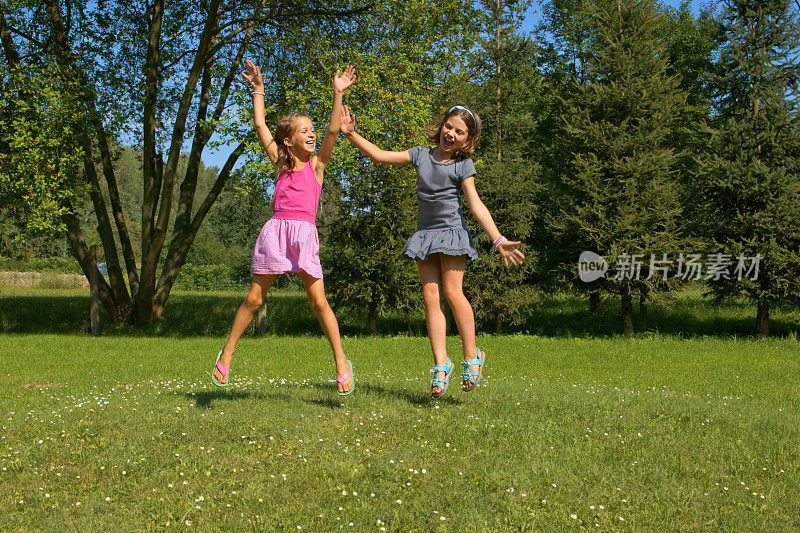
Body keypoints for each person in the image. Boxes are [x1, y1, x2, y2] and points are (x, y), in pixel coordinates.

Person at [339, 103, 524, 397]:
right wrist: (350, 134)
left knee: (452, 293)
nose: (451, 134)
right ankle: (441, 364)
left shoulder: (463, 166)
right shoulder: (420, 155)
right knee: (430, 296)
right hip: (425, 235)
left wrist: (498, 239)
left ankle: (473, 356)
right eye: (449, 126)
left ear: (468, 140)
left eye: (459, 132)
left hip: (452, 234)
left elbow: (475, 204)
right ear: (441, 126)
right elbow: (380, 155)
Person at [211, 60, 355, 396]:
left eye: (311, 129)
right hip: (276, 233)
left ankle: (341, 362)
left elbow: (333, 131)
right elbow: (260, 124)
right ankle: (228, 352)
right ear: (287, 142)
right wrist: (259, 90)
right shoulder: (281, 162)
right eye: (303, 130)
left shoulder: (317, 165)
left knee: (319, 302)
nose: (311, 133)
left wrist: (337, 93)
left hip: (304, 235)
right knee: (254, 297)